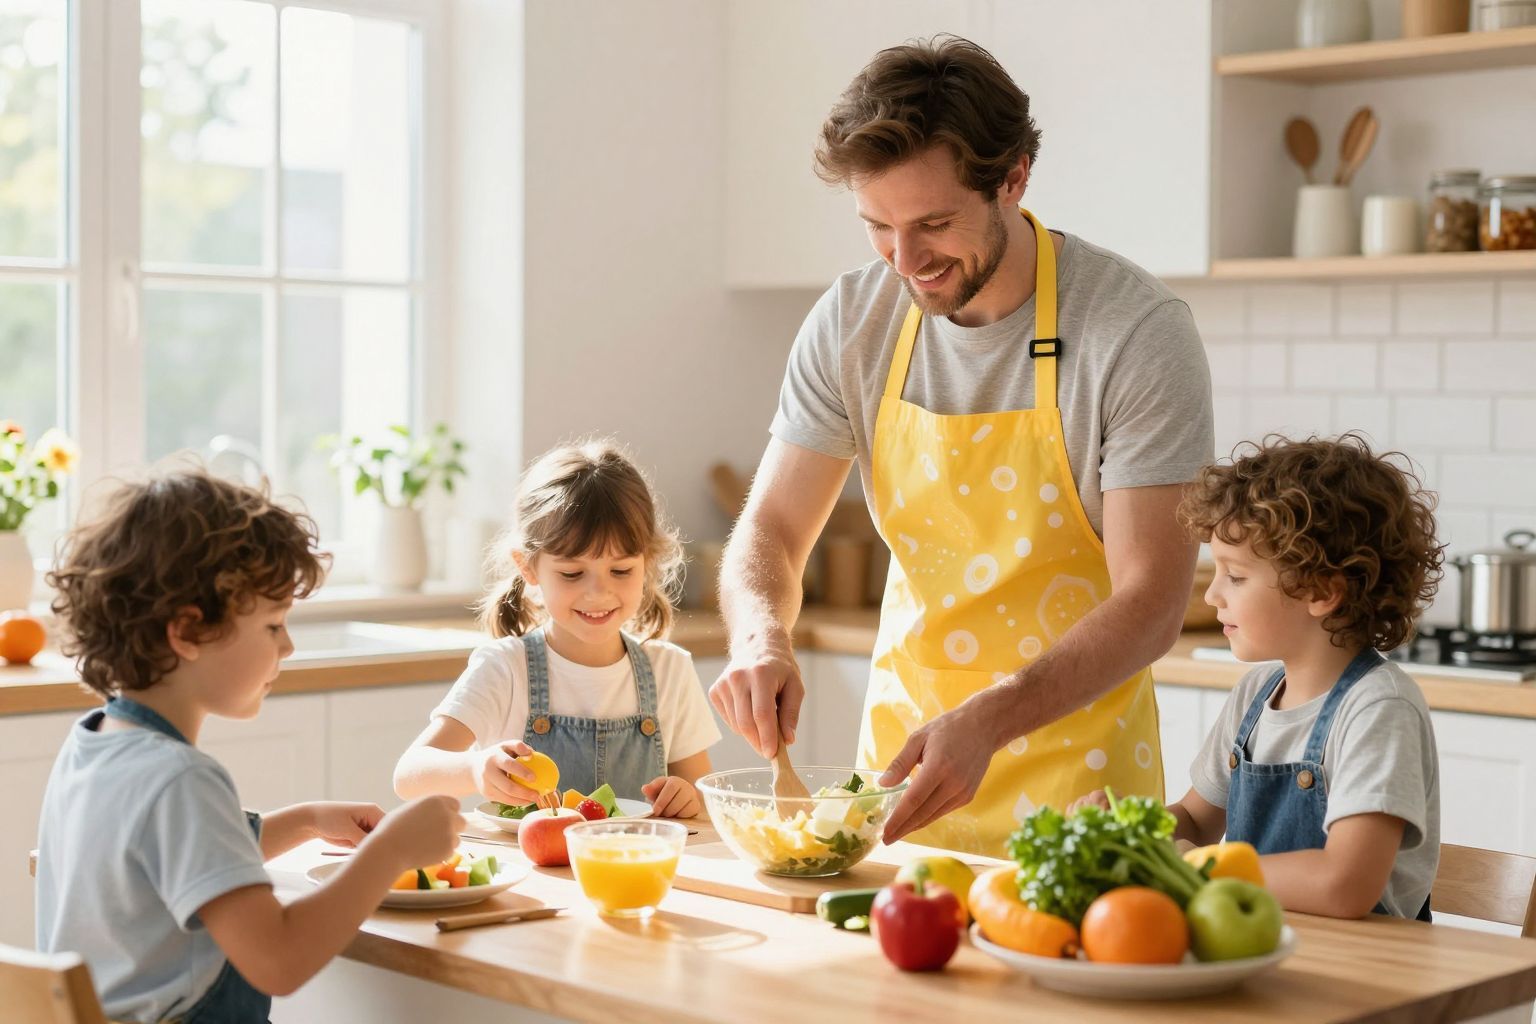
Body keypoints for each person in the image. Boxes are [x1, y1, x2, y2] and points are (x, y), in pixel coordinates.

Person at [709, 35, 1213, 856]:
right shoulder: (853, 323)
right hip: (900, 793)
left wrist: (993, 719)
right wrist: (760, 637)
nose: (905, 262)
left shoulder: (1134, 333)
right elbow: (769, 531)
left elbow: (1154, 600)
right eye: (878, 226)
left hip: (1080, 793)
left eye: (933, 224)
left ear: (1013, 178)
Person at [35, 470, 464, 1024]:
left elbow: (182, 857)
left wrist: (307, 820)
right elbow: (279, 961)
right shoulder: (181, 779)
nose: (287, 645)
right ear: (188, 631)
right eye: (273, 625)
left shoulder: (93, 744)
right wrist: (393, 853)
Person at [1173, 434, 1442, 918]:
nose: (1212, 595)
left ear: (1320, 591)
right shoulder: (1255, 694)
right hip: (1269, 951)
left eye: (1235, 576)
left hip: (1367, 975)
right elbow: (1194, 819)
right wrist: (1130, 832)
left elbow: (1345, 885)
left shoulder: (1378, 708)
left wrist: (1200, 868)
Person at [394, 440, 719, 818]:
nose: (598, 592)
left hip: (633, 871)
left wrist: (687, 798)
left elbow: (701, 800)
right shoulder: (505, 668)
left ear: (647, 562)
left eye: (621, 570)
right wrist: (475, 769)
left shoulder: (669, 671)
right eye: (572, 573)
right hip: (529, 875)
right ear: (528, 567)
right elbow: (408, 775)